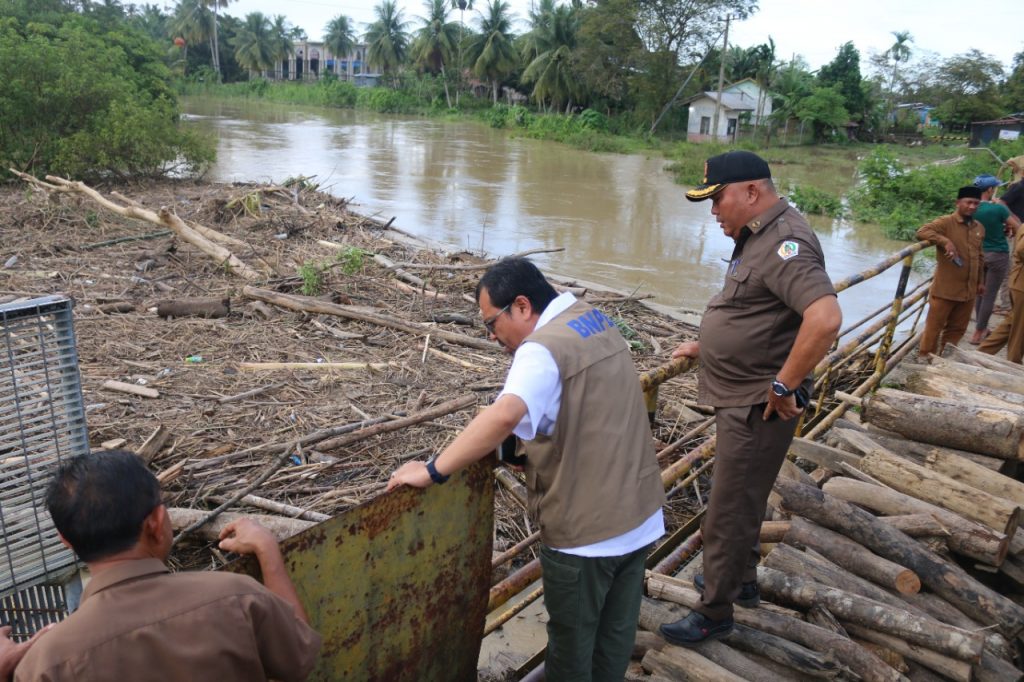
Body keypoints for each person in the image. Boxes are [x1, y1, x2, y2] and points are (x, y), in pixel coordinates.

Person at [387, 257, 666, 681]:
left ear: (521, 305)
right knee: (614, 641)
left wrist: (432, 470)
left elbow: (504, 415)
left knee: (571, 654)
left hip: (587, 536)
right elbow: (584, 411)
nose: (492, 335)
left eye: (491, 323)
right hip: (640, 515)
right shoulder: (592, 319)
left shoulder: (541, 349)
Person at [658, 151, 841, 645]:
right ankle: (741, 580)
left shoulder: (784, 242)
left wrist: (783, 385)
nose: (713, 210)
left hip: (757, 403)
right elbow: (759, 310)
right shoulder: (758, 235)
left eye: (718, 199)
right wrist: (708, 344)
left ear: (752, 192)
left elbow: (824, 318)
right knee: (745, 496)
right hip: (744, 395)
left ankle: (714, 611)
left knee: (728, 507)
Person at [15, 449, 321, 682]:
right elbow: (300, 657)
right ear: (156, 523)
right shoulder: (238, 598)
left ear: (65, 540)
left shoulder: (45, 663)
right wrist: (268, 551)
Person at [915, 186, 986, 358]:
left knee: (958, 329)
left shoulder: (979, 227)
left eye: (976, 203)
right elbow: (922, 232)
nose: (972, 206)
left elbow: (980, 256)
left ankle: (944, 360)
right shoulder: (946, 222)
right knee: (934, 328)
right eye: (968, 202)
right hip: (945, 289)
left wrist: (980, 282)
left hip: (968, 291)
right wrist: (944, 241)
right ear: (958, 203)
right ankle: (924, 359)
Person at [969, 175, 1021, 344]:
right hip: (998, 254)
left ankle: (981, 328)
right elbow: (1018, 227)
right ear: (990, 190)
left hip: (977, 254)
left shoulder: (970, 208)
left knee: (980, 292)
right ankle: (978, 333)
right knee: (990, 295)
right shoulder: (998, 209)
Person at [979, 215, 1024, 363]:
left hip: (1018, 282)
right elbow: (1021, 249)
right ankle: (1014, 363)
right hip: (1021, 284)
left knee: (1011, 322)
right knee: (1020, 329)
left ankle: (982, 353)